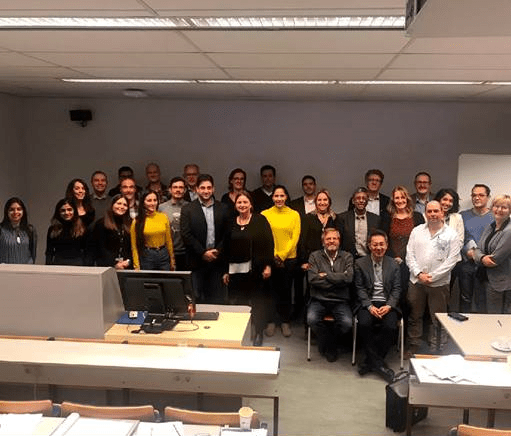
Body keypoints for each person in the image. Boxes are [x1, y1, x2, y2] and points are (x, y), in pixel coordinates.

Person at [405, 201, 460, 353]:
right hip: (416, 282)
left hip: (439, 284)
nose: (433, 214)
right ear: (425, 213)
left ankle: (438, 347)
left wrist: (432, 277)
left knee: (438, 318)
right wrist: (419, 274)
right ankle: (414, 344)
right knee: (415, 315)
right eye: (429, 211)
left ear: (442, 213)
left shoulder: (451, 235)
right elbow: (409, 255)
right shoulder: (416, 231)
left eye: (436, 211)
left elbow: (452, 260)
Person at [223, 191, 274, 346]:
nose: (242, 205)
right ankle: (241, 332)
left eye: (245, 202)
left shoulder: (260, 220)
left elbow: (269, 243)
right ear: (235, 205)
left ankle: (258, 332)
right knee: (240, 302)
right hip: (236, 271)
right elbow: (225, 248)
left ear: (251, 204)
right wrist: (225, 271)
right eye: (239, 202)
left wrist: (268, 265)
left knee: (258, 302)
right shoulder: (230, 222)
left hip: (256, 270)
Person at [354, 230, 401, 382]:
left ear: (387, 245)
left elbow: (397, 289)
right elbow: (359, 288)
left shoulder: (393, 264)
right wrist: (369, 306)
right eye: (375, 245)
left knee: (390, 327)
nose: (378, 248)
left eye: (382, 244)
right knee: (364, 323)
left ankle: (370, 363)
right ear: (369, 246)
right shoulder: (360, 263)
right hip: (368, 303)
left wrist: (389, 306)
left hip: (387, 304)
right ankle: (379, 365)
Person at [181, 174, 230, 303]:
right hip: (196, 261)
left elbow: (227, 234)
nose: (206, 191)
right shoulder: (188, 209)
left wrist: (217, 251)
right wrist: (203, 253)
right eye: (202, 188)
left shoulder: (223, 208)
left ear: (213, 189)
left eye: (209, 188)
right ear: (197, 189)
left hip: (217, 261)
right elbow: (186, 234)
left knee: (217, 299)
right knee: (196, 299)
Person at [307, 228, 353, 362]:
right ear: (323, 242)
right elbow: (313, 279)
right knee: (311, 319)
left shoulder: (347, 256)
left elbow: (349, 278)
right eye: (328, 239)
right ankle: (330, 344)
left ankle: (329, 343)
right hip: (318, 299)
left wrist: (326, 275)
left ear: (339, 241)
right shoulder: (314, 256)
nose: (331, 241)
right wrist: (339, 279)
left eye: (334, 238)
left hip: (340, 300)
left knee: (347, 323)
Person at [262, 185, 301, 337]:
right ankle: (271, 322)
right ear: (272, 198)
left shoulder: (294, 214)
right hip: (270, 257)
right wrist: (274, 255)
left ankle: (285, 322)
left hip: (289, 259)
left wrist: (282, 255)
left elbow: (295, 237)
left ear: (286, 197)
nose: (279, 199)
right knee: (270, 291)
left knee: (286, 291)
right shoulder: (265, 214)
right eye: (276, 196)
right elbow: (264, 237)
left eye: (282, 196)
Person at [381, 185, 425, 317]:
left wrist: (403, 257)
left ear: (407, 199)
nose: (400, 200)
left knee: (409, 296)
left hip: (411, 263)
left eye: (402, 197)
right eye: (397, 198)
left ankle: (406, 324)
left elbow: (420, 240)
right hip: (390, 262)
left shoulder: (417, 217)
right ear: (393, 200)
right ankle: (393, 322)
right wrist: (394, 257)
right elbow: (383, 239)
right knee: (391, 294)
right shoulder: (386, 216)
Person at [472, 194, 511, 314]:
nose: (499, 210)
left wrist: (479, 257)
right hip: (482, 277)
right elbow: (477, 250)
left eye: (504, 207)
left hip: (498, 282)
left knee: (495, 318)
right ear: (492, 208)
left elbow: (495, 260)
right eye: (496, 206)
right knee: (481, 315)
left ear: (510, 211)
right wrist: (482, 258)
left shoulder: (509, 231)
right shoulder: (491, 226)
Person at [460, 184, 494, 312]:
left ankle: (480, 324)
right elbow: (458, 238)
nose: (477, 198)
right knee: (465, 298)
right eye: (474, 195)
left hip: (486, 264)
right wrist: (466, 251)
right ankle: (462, 323)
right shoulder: (462, 216)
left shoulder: (495, 216)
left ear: (488, 197)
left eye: (481, 195)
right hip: (467, 263)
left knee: (482, 300)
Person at [130, 191, 175, 271]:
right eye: (149, 200)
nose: (153, 203)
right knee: (149, 279)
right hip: (147, 255)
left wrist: (172, 260)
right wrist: (136, 265)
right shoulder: (137, 221)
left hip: (163, 254)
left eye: (155, 200)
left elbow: (169, 241)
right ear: (143, 203)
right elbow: (134, 246)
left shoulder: (163, 217)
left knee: (166, 278)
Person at [335, 187, 381, 259]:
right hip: (348, 259)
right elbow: (338, 241)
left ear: (367, 201)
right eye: (358, 198)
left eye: (364, 198)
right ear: (353, 201)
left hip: (369, 258)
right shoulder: (342, 218)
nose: (361, 201)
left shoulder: (375, 219)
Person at [89, 194, 132, 269]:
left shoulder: (130, 223)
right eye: (119, 203)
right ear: (112, 205)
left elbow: (132, 247)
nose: (121, 206)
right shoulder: (101, 223)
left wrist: (128, 261)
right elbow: (100, 247)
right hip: (106, 266)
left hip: (126, 266)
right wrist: (114, 264)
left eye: (125, 205)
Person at [45, 198, 89, 266]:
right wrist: (48, 267)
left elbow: (87, 251)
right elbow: (49, 251)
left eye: (69, 209)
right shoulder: (53, 229)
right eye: (63, 210)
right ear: (58, 213)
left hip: (78, 265)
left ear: (74, 211)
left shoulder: (82, 228)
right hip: (58, 265)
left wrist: (87, 267)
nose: (66, 213)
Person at [159, 176, 189, 271]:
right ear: (170, 190)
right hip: (167, 252)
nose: (178, 190)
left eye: (181, 187)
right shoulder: (161, 208)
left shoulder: (190, 207)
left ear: (185, 190)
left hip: (185, 252)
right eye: (175, 187)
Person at [0, 197, 37, 264]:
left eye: (19, 209)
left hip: (25, 269)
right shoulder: (1, 229)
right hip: (5, 269)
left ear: (23, 211)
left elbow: (33, 254)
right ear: (6, 212)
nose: (15, 212)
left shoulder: (30, 230)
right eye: (11, 209)